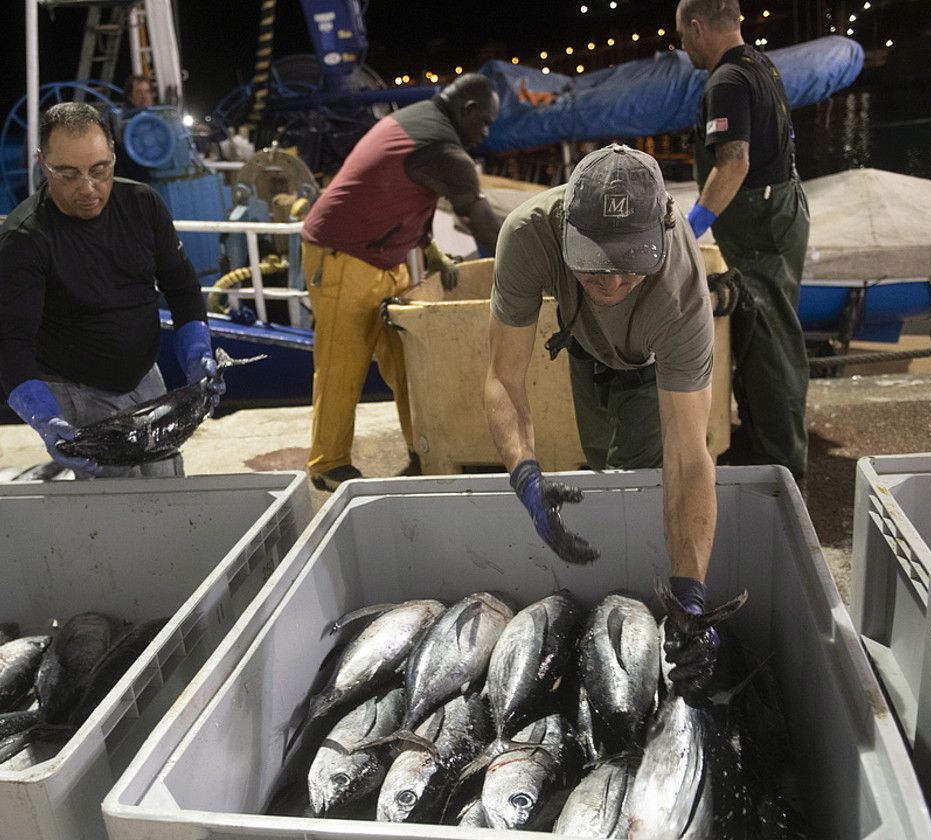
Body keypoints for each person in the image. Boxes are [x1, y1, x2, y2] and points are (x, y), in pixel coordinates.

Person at [484, 144, 720, 699]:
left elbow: (688, 454)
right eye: (592, 260)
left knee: (636, 469)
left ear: (661, 237)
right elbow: (503, 377)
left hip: (650, 363)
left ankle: (657, 601)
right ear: (565, 227)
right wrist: (525, 476)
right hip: (583, 345)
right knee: (599, 467)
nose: (610, 279)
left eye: (629, 262)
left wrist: (691, 595)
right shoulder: (526, 235)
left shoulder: (681, 293)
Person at [0, 102, 221, 478]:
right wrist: (45, 417)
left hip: (146, 378)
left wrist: (197, 352)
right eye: (67, 174)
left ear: (113, 153)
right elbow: (11, 343)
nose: (88, 188)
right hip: (76, 389)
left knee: (168, 483)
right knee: (118, 505)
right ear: (41, 162)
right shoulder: (24, 239)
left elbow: (181, 287)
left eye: (100, 170)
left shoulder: (143, 204)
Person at [301, 72, 505, 491]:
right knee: (343, 365)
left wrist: (430, 251)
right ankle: (328, 462)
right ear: (466, 110)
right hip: (343, 254)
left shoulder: (421, 120)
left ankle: (423, 445)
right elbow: (486, 229)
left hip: (385, 258)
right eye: (483, 123)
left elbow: (406, 194)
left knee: (410, 361)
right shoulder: (443, 148)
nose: (484, 134)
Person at [678, 0, 811, 481]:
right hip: (782, 206)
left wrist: (690, 229)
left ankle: (784, 466)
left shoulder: (727, 82)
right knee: (757, 333)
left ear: (697, 28)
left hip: (762, 223)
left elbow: (734, 163)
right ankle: (761, 444)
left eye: (682, 36)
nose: (682, 46)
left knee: (773, 341)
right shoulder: (760, 64)